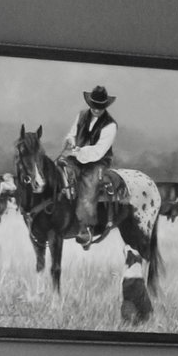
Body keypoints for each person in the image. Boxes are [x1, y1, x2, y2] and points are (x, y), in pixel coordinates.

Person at [59, 85, 119, 241]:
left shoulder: (110, 125)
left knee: (88, 184)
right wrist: (71, 142)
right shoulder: (81, 116)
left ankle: (86, 228)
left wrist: (78, 151)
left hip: (98, 161)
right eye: (94, 106)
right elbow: (71, 134)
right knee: (59, 171)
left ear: (105, 106)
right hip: (76, 156)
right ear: (90, 104)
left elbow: (98, 151)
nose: (97, 110)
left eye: (100, 107)